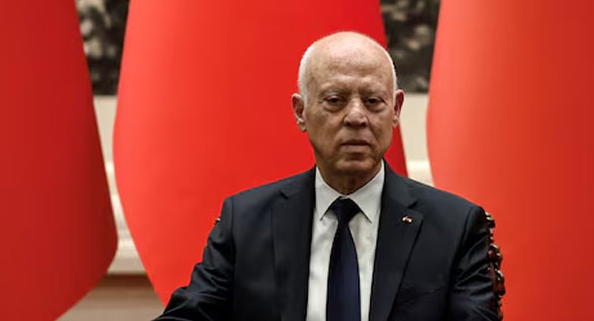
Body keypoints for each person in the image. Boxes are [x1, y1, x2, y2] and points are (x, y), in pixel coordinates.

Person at [154, 32, 502, 321]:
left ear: (395, 110)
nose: (356, 117)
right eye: (335, 100)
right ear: (300, 112)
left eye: (372, 101)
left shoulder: (455, 226)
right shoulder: (246, 222)